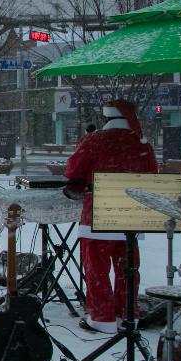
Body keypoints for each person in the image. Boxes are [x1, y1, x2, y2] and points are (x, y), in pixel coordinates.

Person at [64, 100, 158, 333]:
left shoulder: (94, 140)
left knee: (97, 268)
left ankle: (102, 318)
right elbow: (152, 173)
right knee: (127, 269)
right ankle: (127, 314)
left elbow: (74, 170)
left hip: (98, 215)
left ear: (106, 118)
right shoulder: (141, 142)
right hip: (131, 218)